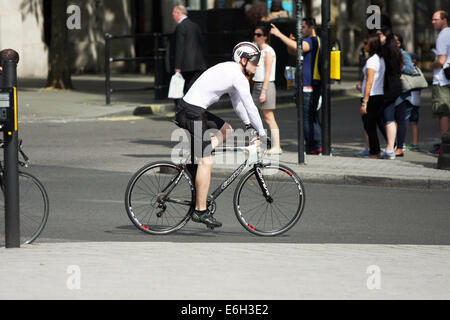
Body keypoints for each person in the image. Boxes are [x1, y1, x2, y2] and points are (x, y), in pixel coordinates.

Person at [174, 42, 268, 228]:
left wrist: (249, 126)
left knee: (227, 129)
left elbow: (239, 105)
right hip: (192, 112)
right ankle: (200, 211)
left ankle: (200, 157)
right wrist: (263, 134)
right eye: (255, 61)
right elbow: (250, 106)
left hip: (193, 110)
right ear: (243, 60)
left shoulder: (233, 73)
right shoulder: (236, 75)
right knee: (207, 161)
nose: (257, 65)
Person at [270, 18, 323, 155]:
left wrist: (279, 34)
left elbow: (299, 47)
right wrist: (290, 42)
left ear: (312, 27)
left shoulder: (313, 40)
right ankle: (314, 145)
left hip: (308, 86)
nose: (302, 29)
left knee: (307, 118)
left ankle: (315, 146)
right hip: (303, 85)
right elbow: (293, 51)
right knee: (310, 117)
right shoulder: (309, 41)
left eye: (304, 27)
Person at [377, 27, 412, 160]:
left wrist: (400, 65)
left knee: (397, 119)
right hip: (392, 89)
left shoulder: (400, 53)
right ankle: (392, 145)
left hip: (399, 91)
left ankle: (397, 147)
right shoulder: (387, 52)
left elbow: (409, 69)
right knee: (387, 118)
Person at [251, 24, 282, 155]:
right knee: (254, 116)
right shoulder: (258, 51)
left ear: (265, 37)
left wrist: (263, 91)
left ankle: (277, 146)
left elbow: (268, 73)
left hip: (266, 86)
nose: (255, 37)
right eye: (255, 34)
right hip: (256, 85)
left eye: (258, 35)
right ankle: (257, 144)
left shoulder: (268, 51)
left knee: (269, 117)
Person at [170, 5, 207, 98]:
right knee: (192, 87)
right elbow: (201, 43)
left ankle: (184, 109)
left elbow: (179, 47)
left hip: (185, 65)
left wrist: (177, 66)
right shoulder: (195, 25)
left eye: (174, 13)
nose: (172, 15)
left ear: (179, 13)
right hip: (198, 64)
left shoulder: (181, 26)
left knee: (183, 90)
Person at [359, 34, 386, 159]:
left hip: (372, 96)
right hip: (378, 94)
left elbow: (370, 82)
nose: (364, 46)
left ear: (372, 45)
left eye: (366, 43)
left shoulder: (371, 61)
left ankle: (374, 152)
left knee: (369, 126)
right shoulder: (379, 59)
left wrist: (364, 102)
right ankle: (379, 150)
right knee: (374, 124)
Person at [429, 10, 450, 157]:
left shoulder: (443, 36)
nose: (433, 22)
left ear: (444, 20)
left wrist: (431, 65)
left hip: (442, 80)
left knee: (443, 112)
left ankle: (445, 147)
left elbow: (441, 60)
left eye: (436, 19)